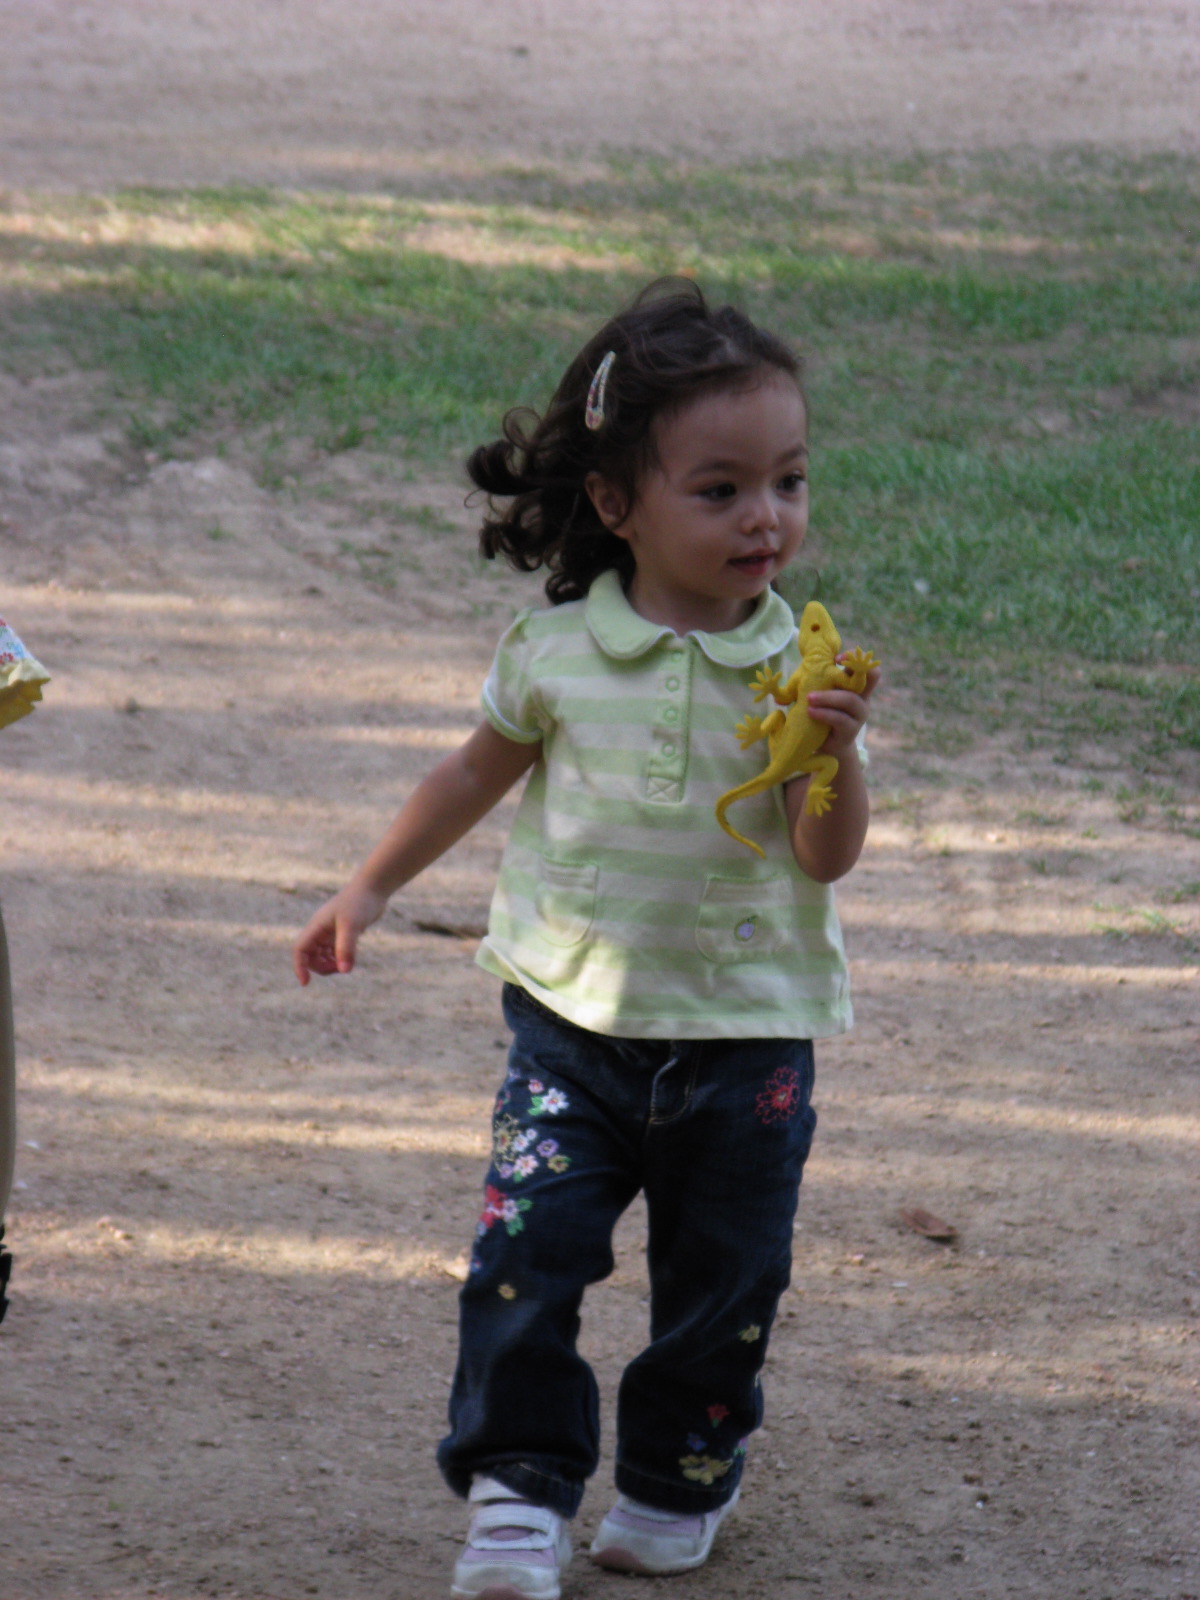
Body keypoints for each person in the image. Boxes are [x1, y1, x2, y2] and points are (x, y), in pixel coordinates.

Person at [293, 280, 879, 1600]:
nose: (767, 517)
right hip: (570, 1035)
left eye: (788, 481)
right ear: (616, 502)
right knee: (524, 1263)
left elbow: (823, 857)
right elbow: (468, 775)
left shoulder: (800, 669)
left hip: (746, 1044)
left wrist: (837, 758)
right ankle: (517, 1492)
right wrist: (369, 888)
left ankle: (679, 1480)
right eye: (720, 489)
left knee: (725, 1286)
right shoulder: (556, 653)